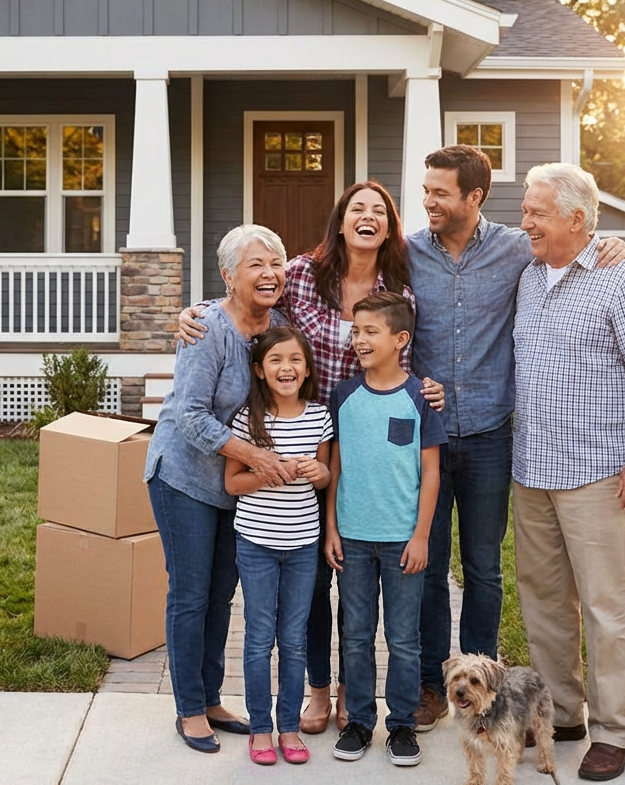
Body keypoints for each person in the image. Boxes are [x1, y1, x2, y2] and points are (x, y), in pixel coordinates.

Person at [179, 181, 440, 734]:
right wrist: (194, 309)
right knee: (317, 577)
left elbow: (408, 355)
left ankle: (353, 693)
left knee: (353, 577)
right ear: (339, 222)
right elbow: (249, 295)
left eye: (378, 211)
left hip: (361, 448)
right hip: (301, 432)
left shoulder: (401, 290)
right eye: (356, 209)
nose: (366, 217)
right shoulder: (301, 273)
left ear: (390, 226)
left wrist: (428, 391)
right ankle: (318, 692)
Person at [407, 145, 625, 732]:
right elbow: (339, 272)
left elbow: (578, 247)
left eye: (439, 192)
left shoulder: (517, 250)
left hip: (489, 438)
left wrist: (617, 244)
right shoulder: (405, 254)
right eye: (425, 190)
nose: (427, 201)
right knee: (428, 567)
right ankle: (434, 686)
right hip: (426, 437)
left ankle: (486, 690)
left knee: (483, 568)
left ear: (473, 197)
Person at [511, 163, 625, 782]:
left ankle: (614, 732)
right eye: (525, 210)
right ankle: (563, 714)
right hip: (531, 470)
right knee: (545, 602)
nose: (525, 221)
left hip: (599, 474)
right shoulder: (528, 277)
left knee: (606, 609)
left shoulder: (620, 281)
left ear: (577, 220)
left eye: (537, 212)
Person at [143, 224, 298, 754]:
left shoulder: (278, 322)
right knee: (190, 594)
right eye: (255, 264)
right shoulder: (207, 328)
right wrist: (255, 455)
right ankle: (188, 709)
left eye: (276, 262)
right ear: (229, 276)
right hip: (184, 475)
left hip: (233, 485)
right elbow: (188, 414)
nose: (269, 273)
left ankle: (210, 698)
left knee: (220, 594)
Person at [325, 293, 447, 767]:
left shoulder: (420, 397)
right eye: (355, 331)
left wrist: (421, 536)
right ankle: (358, 719)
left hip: (402, 541)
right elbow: (334, 467)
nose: (359, 340)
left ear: (401, 339)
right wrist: (331, 527)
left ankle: (400, 725)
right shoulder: (344, 396)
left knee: (403, 637)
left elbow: (431, 473)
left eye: (370, 331)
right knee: (355, 633)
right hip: (352, 539)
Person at [225, 326, 334, 766]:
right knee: (258, 638)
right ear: (260, 370)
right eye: (275, 361)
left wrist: (314, 472)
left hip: (303, 543)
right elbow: (232, 483)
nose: (286, 368)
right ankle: (259, 728)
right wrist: (269, 471)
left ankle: (288, 725)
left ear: (307, 368)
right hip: (256, 543)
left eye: (294, 360)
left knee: (292, 640)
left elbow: (326, 477)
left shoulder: (320, 416)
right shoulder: (247, 420)